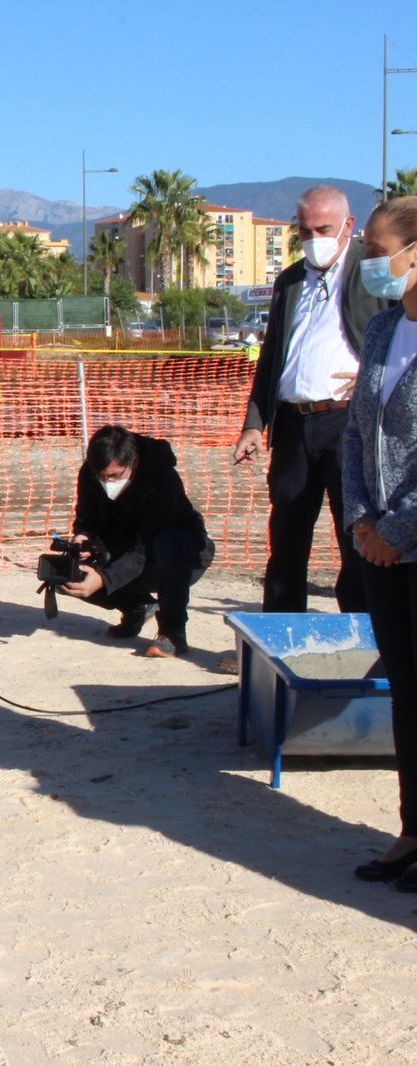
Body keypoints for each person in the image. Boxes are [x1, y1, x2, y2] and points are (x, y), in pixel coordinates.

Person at [234, 185, 384, 614]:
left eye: (323, 228)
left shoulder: (371, 275)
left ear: (348, 226)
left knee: (354, 535)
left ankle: (362, 635)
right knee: (286, 537)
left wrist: (373, 377)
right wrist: (253, 423)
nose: (313, 238)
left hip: (349, 424)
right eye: (304, 230)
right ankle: (279, 635)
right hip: (294, 426)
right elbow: (273, 357)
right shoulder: (290, 280)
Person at [342, 195, 417, 889]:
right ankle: (410, 830)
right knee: (407, 695)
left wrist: (396, 529)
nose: (367, 262)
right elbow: (357, 432)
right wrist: (362, 520)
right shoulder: (383, 329)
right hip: (381, 546)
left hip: (409, 538)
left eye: (376, 249)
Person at [54, 425, 215, 658]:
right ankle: (136, 606)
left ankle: (172, 632)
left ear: (134, 462)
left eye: (114, 476)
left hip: (179, 558)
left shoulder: (162, 478)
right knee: (65, 574)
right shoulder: (90, 472)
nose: (105, 481)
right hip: (124, 551)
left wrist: (104, 578)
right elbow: (85, 518)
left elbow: (144, 547)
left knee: (169, 542)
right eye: (100, 476)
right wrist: (83, 538)